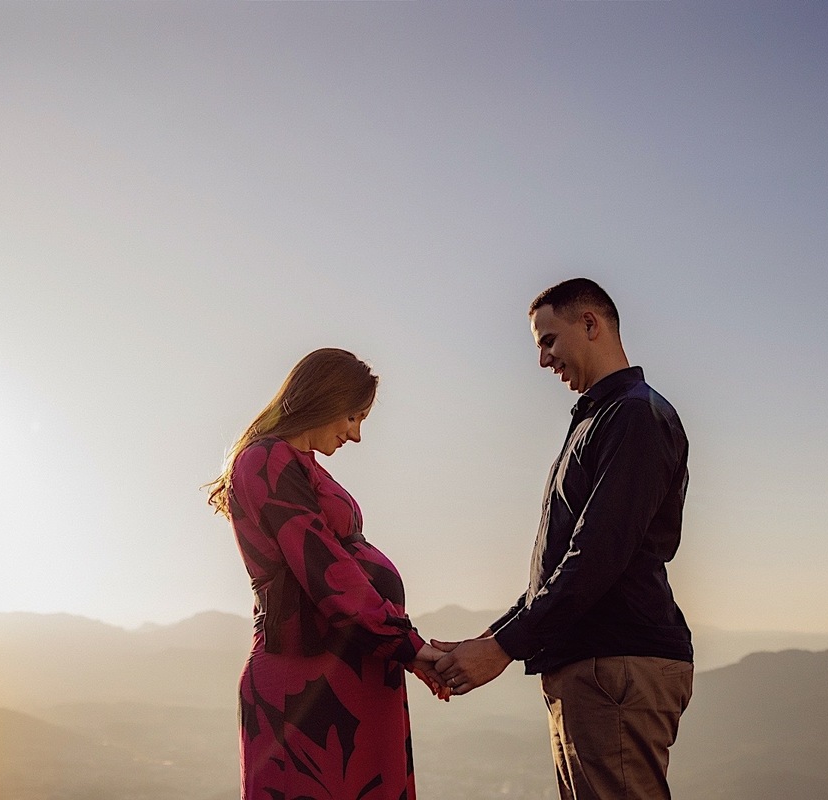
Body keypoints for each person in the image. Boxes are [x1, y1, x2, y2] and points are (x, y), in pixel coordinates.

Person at [433, 279, 694, 800]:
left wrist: (504, 647)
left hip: (615, 664)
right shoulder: (602, 420)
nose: (543, 359)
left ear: (590, 324)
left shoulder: (633, 417)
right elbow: (562, 565)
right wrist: (491, 638)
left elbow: (596, 556)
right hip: (594, 665)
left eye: (547, 340)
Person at [206, 347, 448, 800]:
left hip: (350, 671)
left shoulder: (300, 464)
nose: (355, 436)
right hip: (308, 683)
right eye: (353, 418)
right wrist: (407, 647)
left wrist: (401, 649)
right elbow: (326, 572)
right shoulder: (266, 460)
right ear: (326, 399)